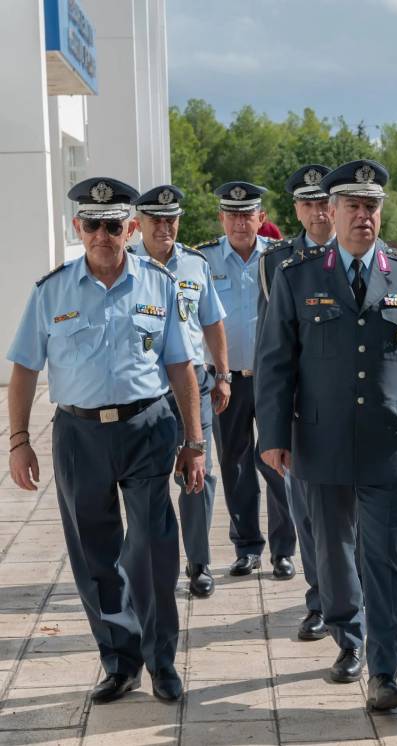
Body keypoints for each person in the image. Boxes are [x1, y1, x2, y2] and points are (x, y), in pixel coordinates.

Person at [256, 159, 397, 711]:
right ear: (330, 211)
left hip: (389, 442)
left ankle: (385, 672)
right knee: (333, 558)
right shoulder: (297, 276)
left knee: (383, 558)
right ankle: (348, 636)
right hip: (319, 440)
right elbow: (275, 363)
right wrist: (273, 434)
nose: (363, 215)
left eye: (372, 206)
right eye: (353, 206)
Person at [7, 177, 206, 704]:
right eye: (91, 224)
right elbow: (25, 367)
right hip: (77, 435)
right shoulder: (51, 291)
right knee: (95, 554)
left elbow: (181, 366)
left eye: (112, 225)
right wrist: (19, 439)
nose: (101, 234)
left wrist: (194, 442)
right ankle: (119, 661)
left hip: (147, 429)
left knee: (151, 548)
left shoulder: (158, 285)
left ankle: (163, 661)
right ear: (78, 228)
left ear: (131, 229)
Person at [131, 185, 230, 598]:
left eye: (171, 219)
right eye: (156, 220)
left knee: (199, 475)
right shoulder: (127, 264)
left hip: (193, 386)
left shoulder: (194, 264)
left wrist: (223, 374)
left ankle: (200, 562)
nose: (165, 227)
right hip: (146, 390)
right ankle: (155, 563)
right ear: (140, 224)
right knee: (147, 481)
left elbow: (212, 320)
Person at [197, 181, 297, 580]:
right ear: (221, 218)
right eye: (232, 215)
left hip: (272, 381)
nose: (240, 222)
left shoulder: (279, 259)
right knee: (234, 463)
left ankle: (284, 550)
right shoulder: (202, 260)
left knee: (277, 462)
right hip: (225, 381)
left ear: (261, 218)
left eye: (248, 214)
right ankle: (247, 546)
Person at [257, 164, 334, 644]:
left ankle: (356, 598)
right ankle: (320, 601)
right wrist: (273, 429)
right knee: (306, 514)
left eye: (324, 201)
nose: (317, 211)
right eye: (308, 203)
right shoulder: (275, 263)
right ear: (297, 210)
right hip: (304, 413)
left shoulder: (359, 254)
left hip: (351, 406)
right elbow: (272, 352)